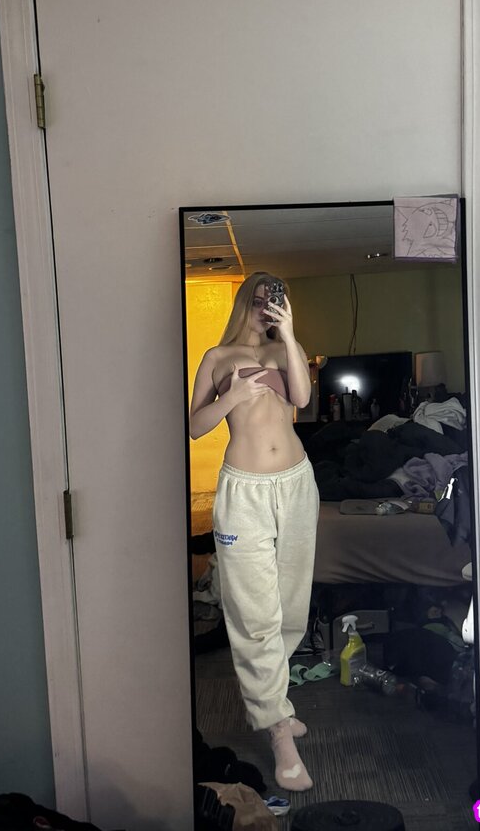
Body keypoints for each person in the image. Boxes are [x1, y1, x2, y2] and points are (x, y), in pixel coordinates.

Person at [189, 272, 319, 792]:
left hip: (296, 482)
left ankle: (273, 702)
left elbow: (303, 399)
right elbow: (196, 425)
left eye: (276, 300)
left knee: (290, 605)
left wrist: (289, 334)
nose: (267, 308)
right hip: (243, 491)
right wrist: (233, 395)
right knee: (254, 612)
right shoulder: (217, 357)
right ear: (245, 300)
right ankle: (279, 731)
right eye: (261, 299)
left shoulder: (287, 347)